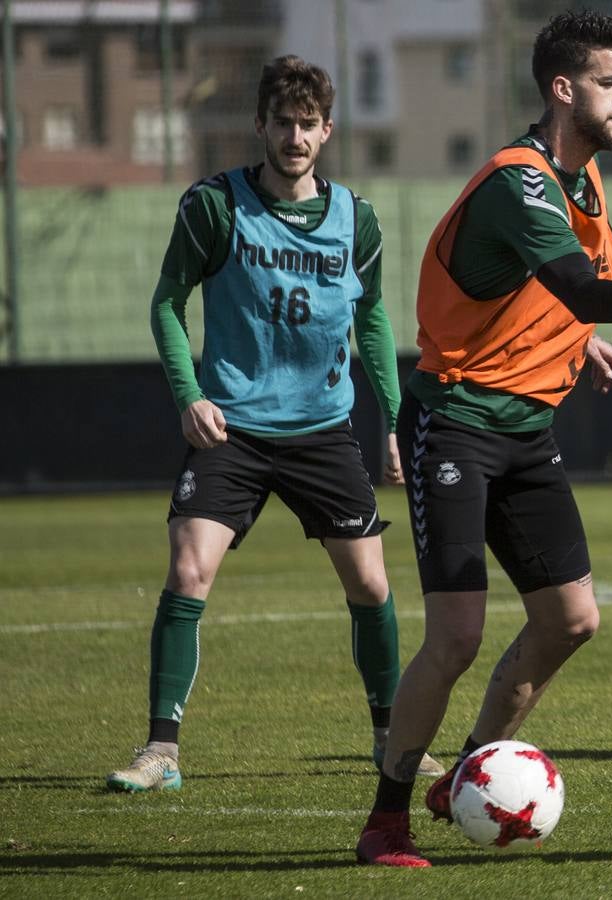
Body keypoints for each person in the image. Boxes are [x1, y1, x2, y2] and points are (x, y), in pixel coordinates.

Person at [354, 9, 612, 868]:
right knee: (456, 635)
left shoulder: (584, 180)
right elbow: (574, 282)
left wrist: (578, 338)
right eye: (611, 83)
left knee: (571, 620)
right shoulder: (521, 180)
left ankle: (463, 773)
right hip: (456, 421)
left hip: (526, 430)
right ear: (562, 89)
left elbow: (547, 295)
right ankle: (385, 817)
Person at [106, 56, 443, 793]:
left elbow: (373, 316)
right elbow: (167, 303)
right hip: (231, 427)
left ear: (327, 130)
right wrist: (189, 395)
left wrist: (390, 416)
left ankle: (394, 740)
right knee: (189, 568)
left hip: (322, 429)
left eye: (308, 124)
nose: (295, 136)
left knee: (371, 587)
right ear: (260, 125)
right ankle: (161, 751)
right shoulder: (213, 205)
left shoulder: (357, 218)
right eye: (282, 123)